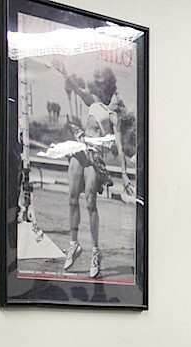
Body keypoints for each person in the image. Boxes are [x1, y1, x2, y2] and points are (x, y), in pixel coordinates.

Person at [48, 62, 134, 278]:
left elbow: (121, 150)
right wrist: (65, 71)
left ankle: (95, 252)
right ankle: (74, 244)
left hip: (95, 158)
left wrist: (124, 176)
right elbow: (77, 89)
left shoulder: (113, 117)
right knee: (71, 198)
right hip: (80, 151)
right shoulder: (94, 104)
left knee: (90, 202)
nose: (113, 98)